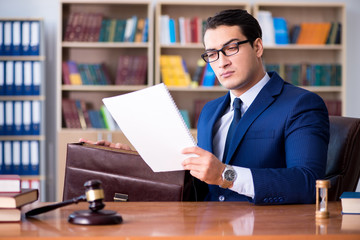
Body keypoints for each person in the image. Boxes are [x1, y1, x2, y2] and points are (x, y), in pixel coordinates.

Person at [81, 9, 330, 204]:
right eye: (212, 53)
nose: (221, 62)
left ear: (257, 47)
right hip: (205, 225)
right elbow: (196, 181)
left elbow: (309, 183)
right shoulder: (211, 112)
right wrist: (128, 159)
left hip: (264, 230)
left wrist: (225, 175)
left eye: (231, 48)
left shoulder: (301, 104)